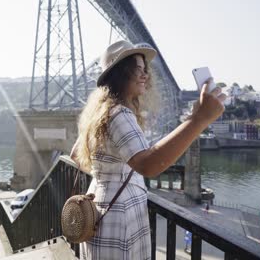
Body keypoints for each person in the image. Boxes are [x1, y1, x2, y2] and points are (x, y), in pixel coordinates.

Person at [70, 40, 226, 259]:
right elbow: (149, 164)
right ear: (119, 73)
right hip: (120, 217)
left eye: (145, 70)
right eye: (137, 70)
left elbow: (76, 155)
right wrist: (198, 120)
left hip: (100, 208)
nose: (145, 75)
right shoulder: (119, 114)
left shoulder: (100, 112)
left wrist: (107, 175)